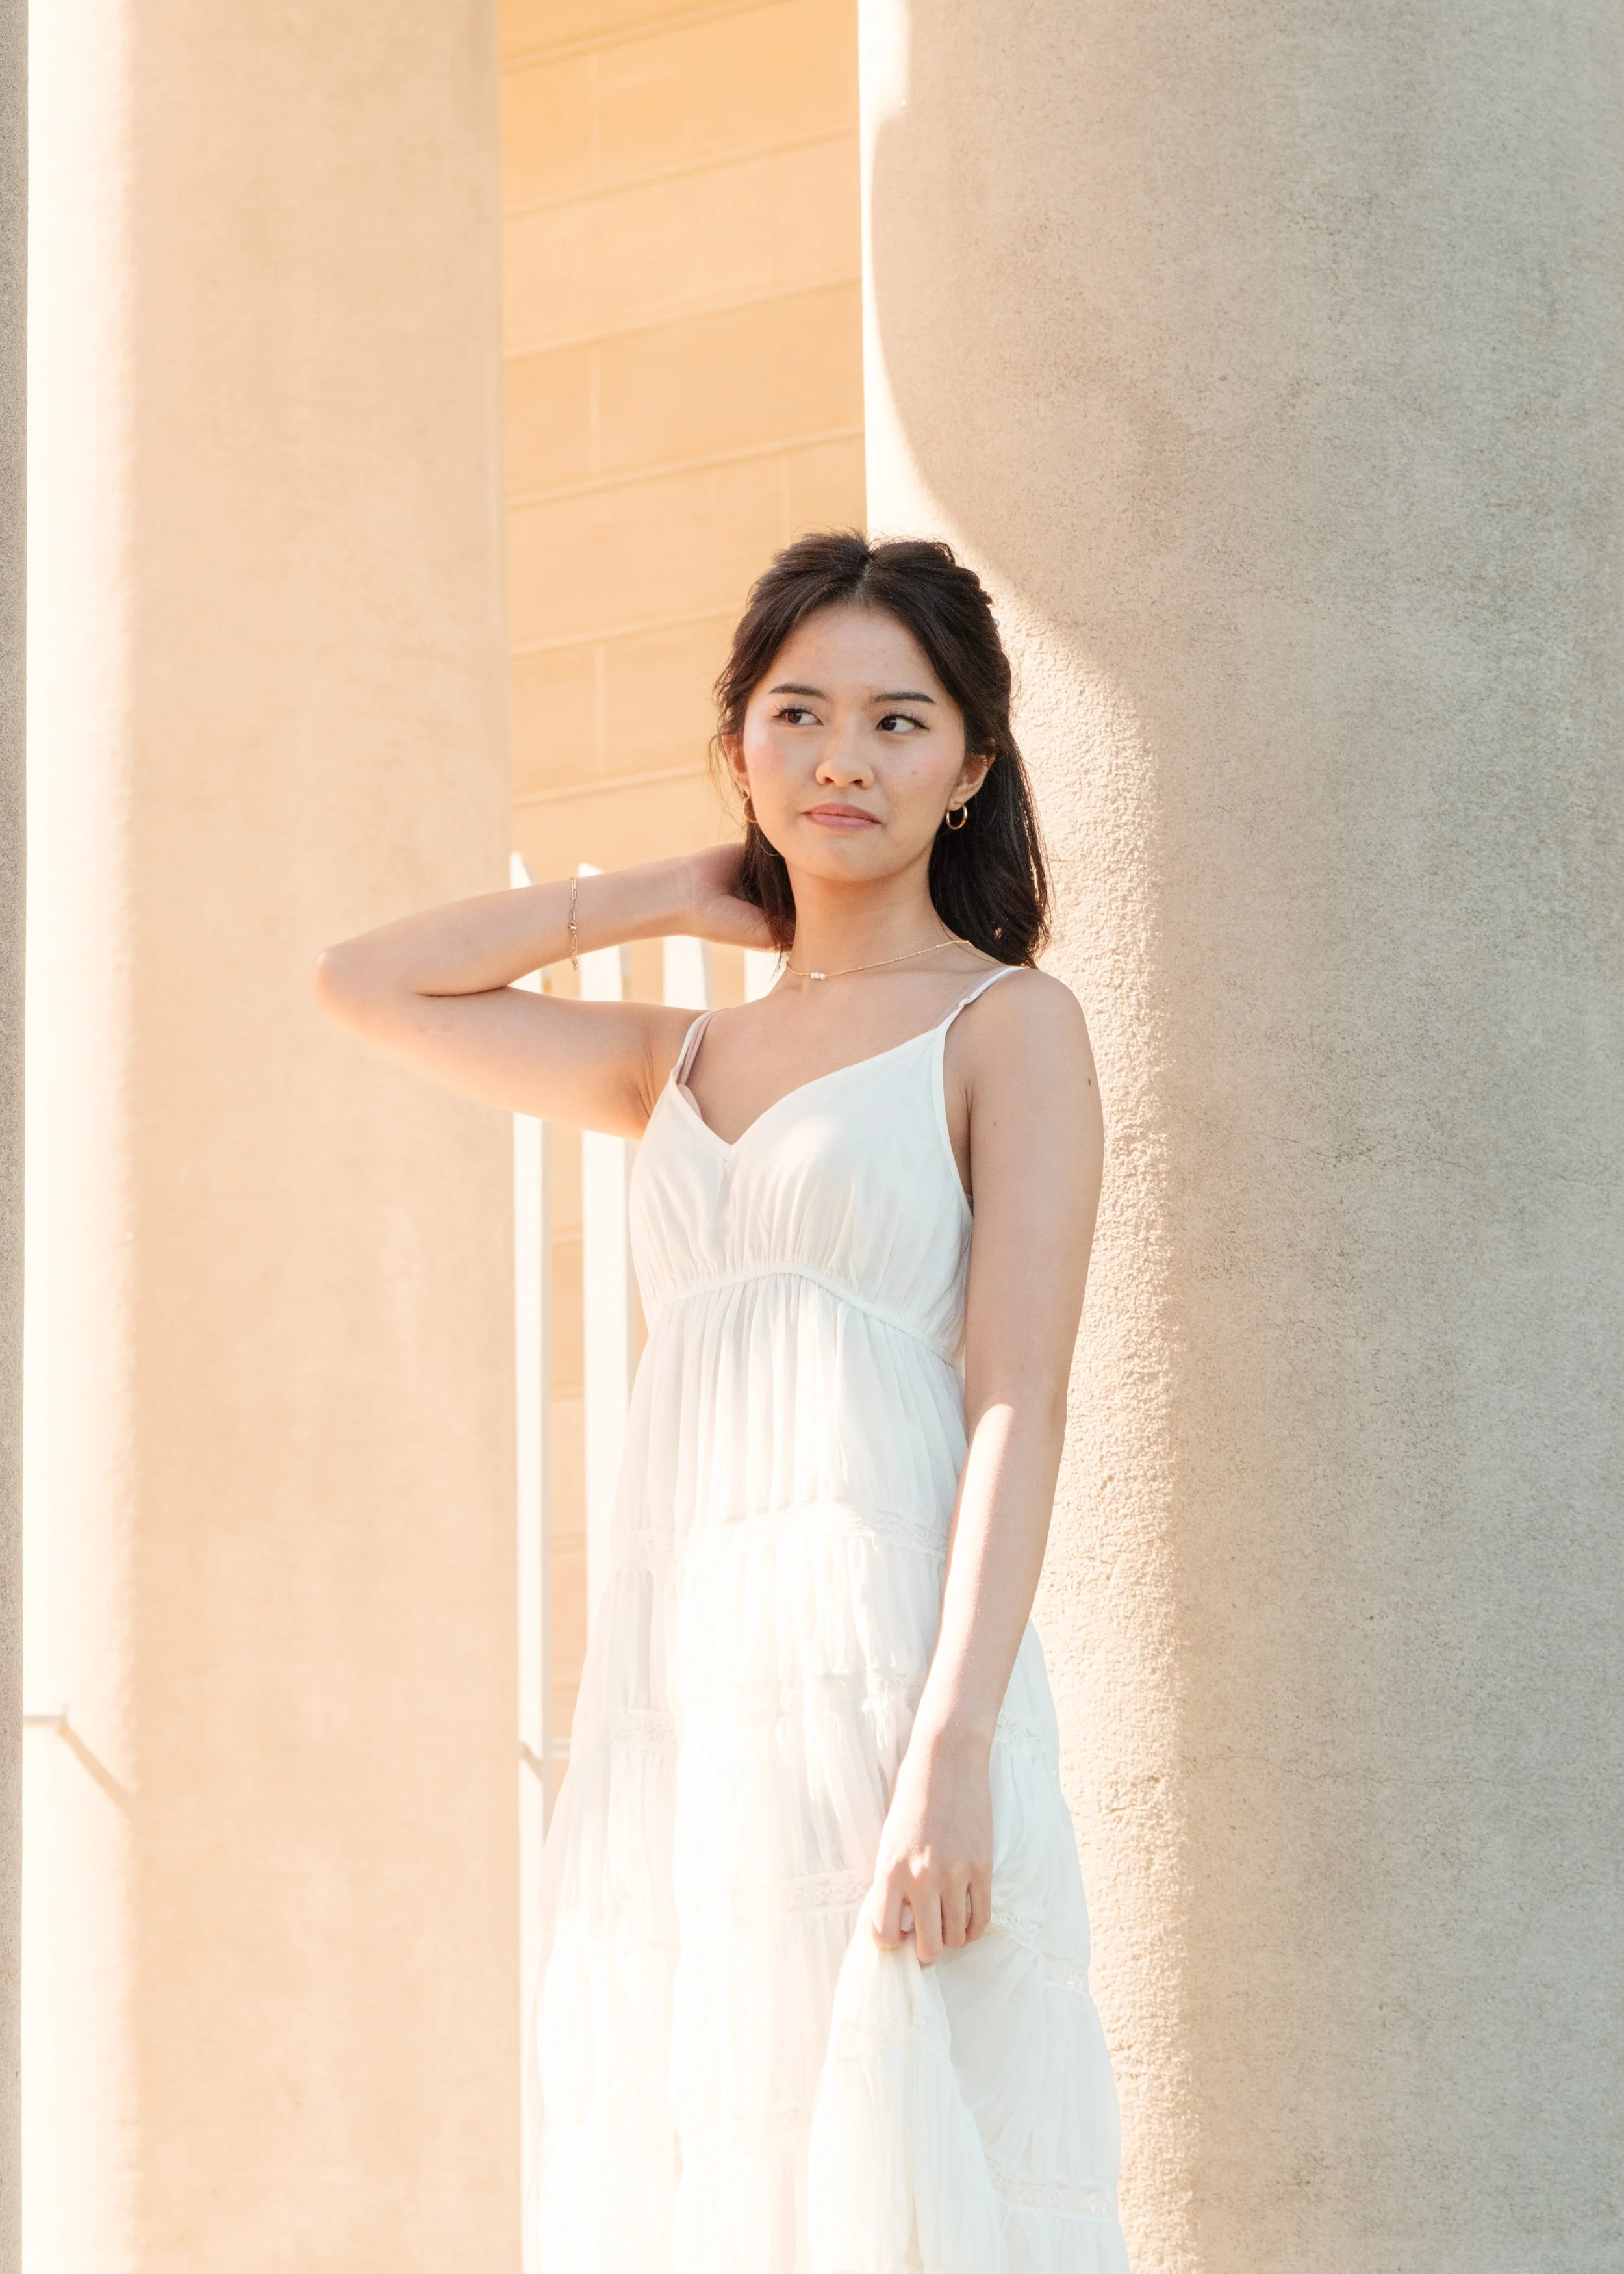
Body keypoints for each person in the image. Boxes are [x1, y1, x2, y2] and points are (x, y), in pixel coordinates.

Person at [312, 531, 1129, 2274]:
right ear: (740, 743)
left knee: (893, 2159)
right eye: (797, 713)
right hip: (682, 1698)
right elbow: (364, 984)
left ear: (970, 766)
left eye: (900, 721)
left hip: (883, 1676)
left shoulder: (1008, 1026)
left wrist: (954, 1745)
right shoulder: (675, 1060)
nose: (844, 758)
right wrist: (673, 894)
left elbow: (1018, 1401)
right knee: (705, 2162)